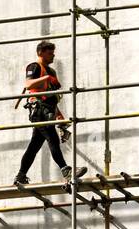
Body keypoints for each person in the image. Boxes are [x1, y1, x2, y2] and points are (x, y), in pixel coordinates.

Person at [14, 40, 86, 186]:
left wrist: (59, 116)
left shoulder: (51, 71)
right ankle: (66, 171)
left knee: (34, 145)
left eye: (53, 53)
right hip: (39, 110)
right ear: (40, 53)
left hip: (49, 110)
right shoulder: (35, 67)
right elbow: (28, 84)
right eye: (50, 53)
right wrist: (45, 78)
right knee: (52, 139)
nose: (53, 56)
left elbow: (52, 97)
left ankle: (21, 175)